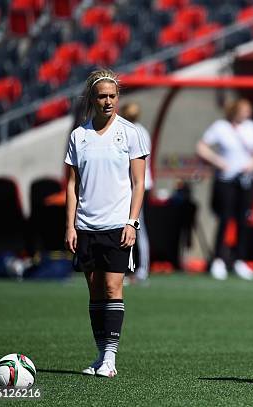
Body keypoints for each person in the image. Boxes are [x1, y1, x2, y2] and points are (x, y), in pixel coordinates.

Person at [64, 69, 149, 378]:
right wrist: (70, 225)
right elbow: (72, 186)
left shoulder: (131, 133)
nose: (108, 101)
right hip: (86, 226)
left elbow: (139, 183)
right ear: (92, 99)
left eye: (113, 96)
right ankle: (100, 354)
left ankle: (111, 358)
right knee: (94, 290)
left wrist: (132, 222)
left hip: (117, 225)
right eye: (102, 96)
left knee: (113, 287)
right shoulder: (79, 135)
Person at [196, 99, 253, 281]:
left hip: (246, 180)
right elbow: (202, 147)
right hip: (226, 180)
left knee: (244, 219)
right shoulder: (220, 127)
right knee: (224, 218)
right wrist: (218, 162)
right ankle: (219, 259)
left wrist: (252, 166)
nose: (247, 114)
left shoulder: (251, 127)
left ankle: (239, 259)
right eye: (244, 110)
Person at [120, 102, 153, 284]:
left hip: (138, 185)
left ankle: (142, 268)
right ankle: (129, 268)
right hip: (130, 184)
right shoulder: (131, 131)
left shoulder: (136, 132)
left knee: (138, 227)